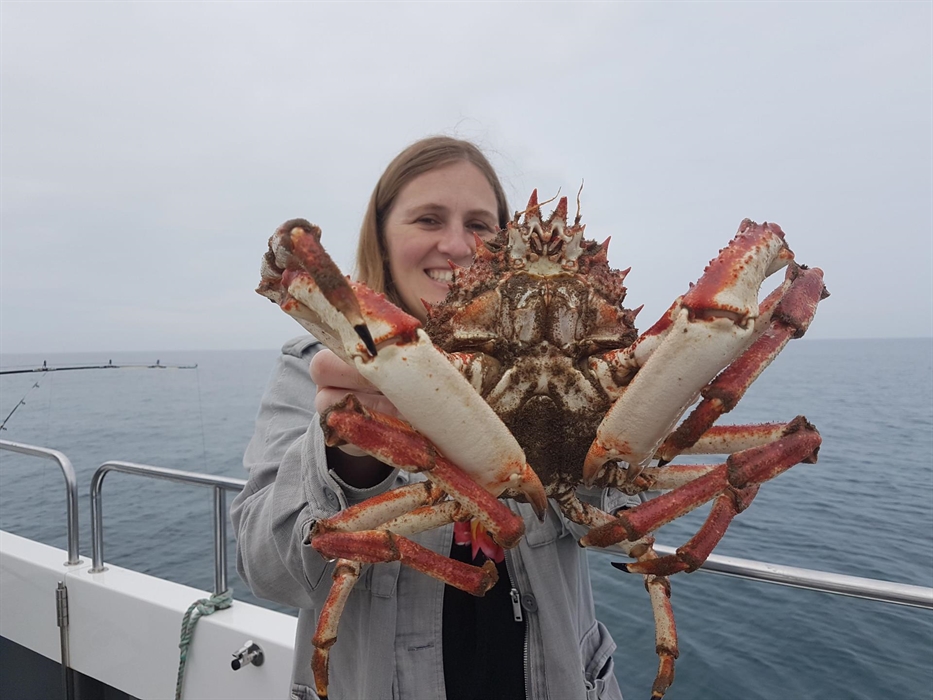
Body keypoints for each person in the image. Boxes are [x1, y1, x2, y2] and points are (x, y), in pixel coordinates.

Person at [231, 136, 636, 700]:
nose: (456, 244)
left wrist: (614, 431)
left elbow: (618, 528)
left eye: (480, 224)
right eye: (427, 218)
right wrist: (346, 459)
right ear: (381, 237)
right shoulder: (318, 367)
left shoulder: (585, 364)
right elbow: (267, 570)